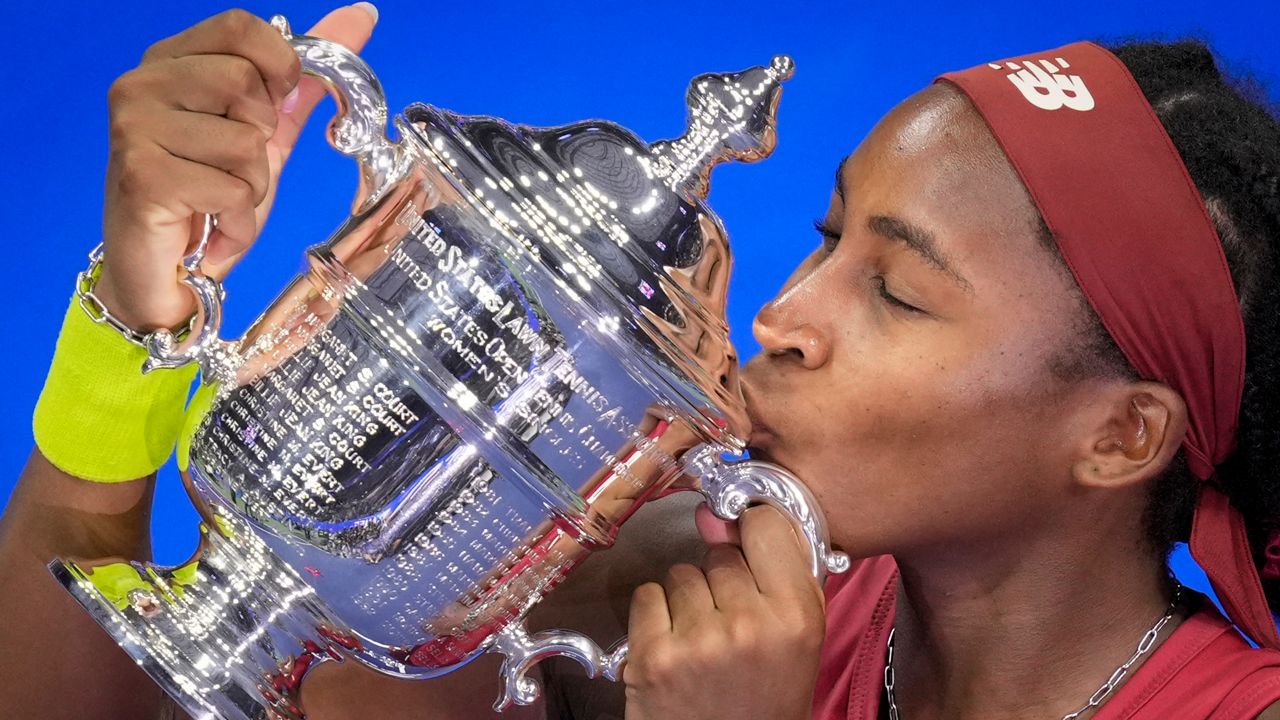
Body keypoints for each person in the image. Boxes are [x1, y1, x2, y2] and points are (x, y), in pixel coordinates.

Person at [2, 5, 1280, 720]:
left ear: (1121, 437)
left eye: (893, 289)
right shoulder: (666, 585)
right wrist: (139, 318)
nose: (777, 312)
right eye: (827, 239)